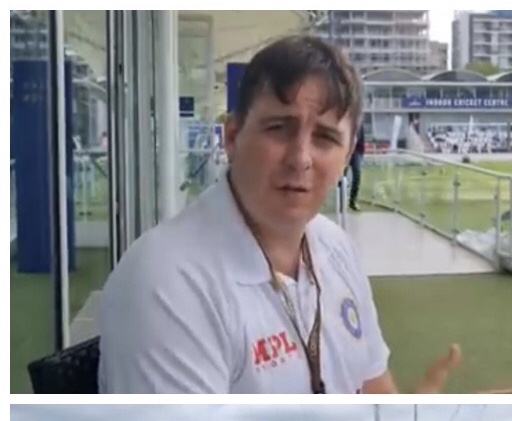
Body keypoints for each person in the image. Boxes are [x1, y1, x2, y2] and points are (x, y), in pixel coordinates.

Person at [97, 35, 459, 393]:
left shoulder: (335, 248)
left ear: (347, 155)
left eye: (325, 138)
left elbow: (374, 389)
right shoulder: (168, 283)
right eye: (279, 129)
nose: (300, 158)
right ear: (233, 137)